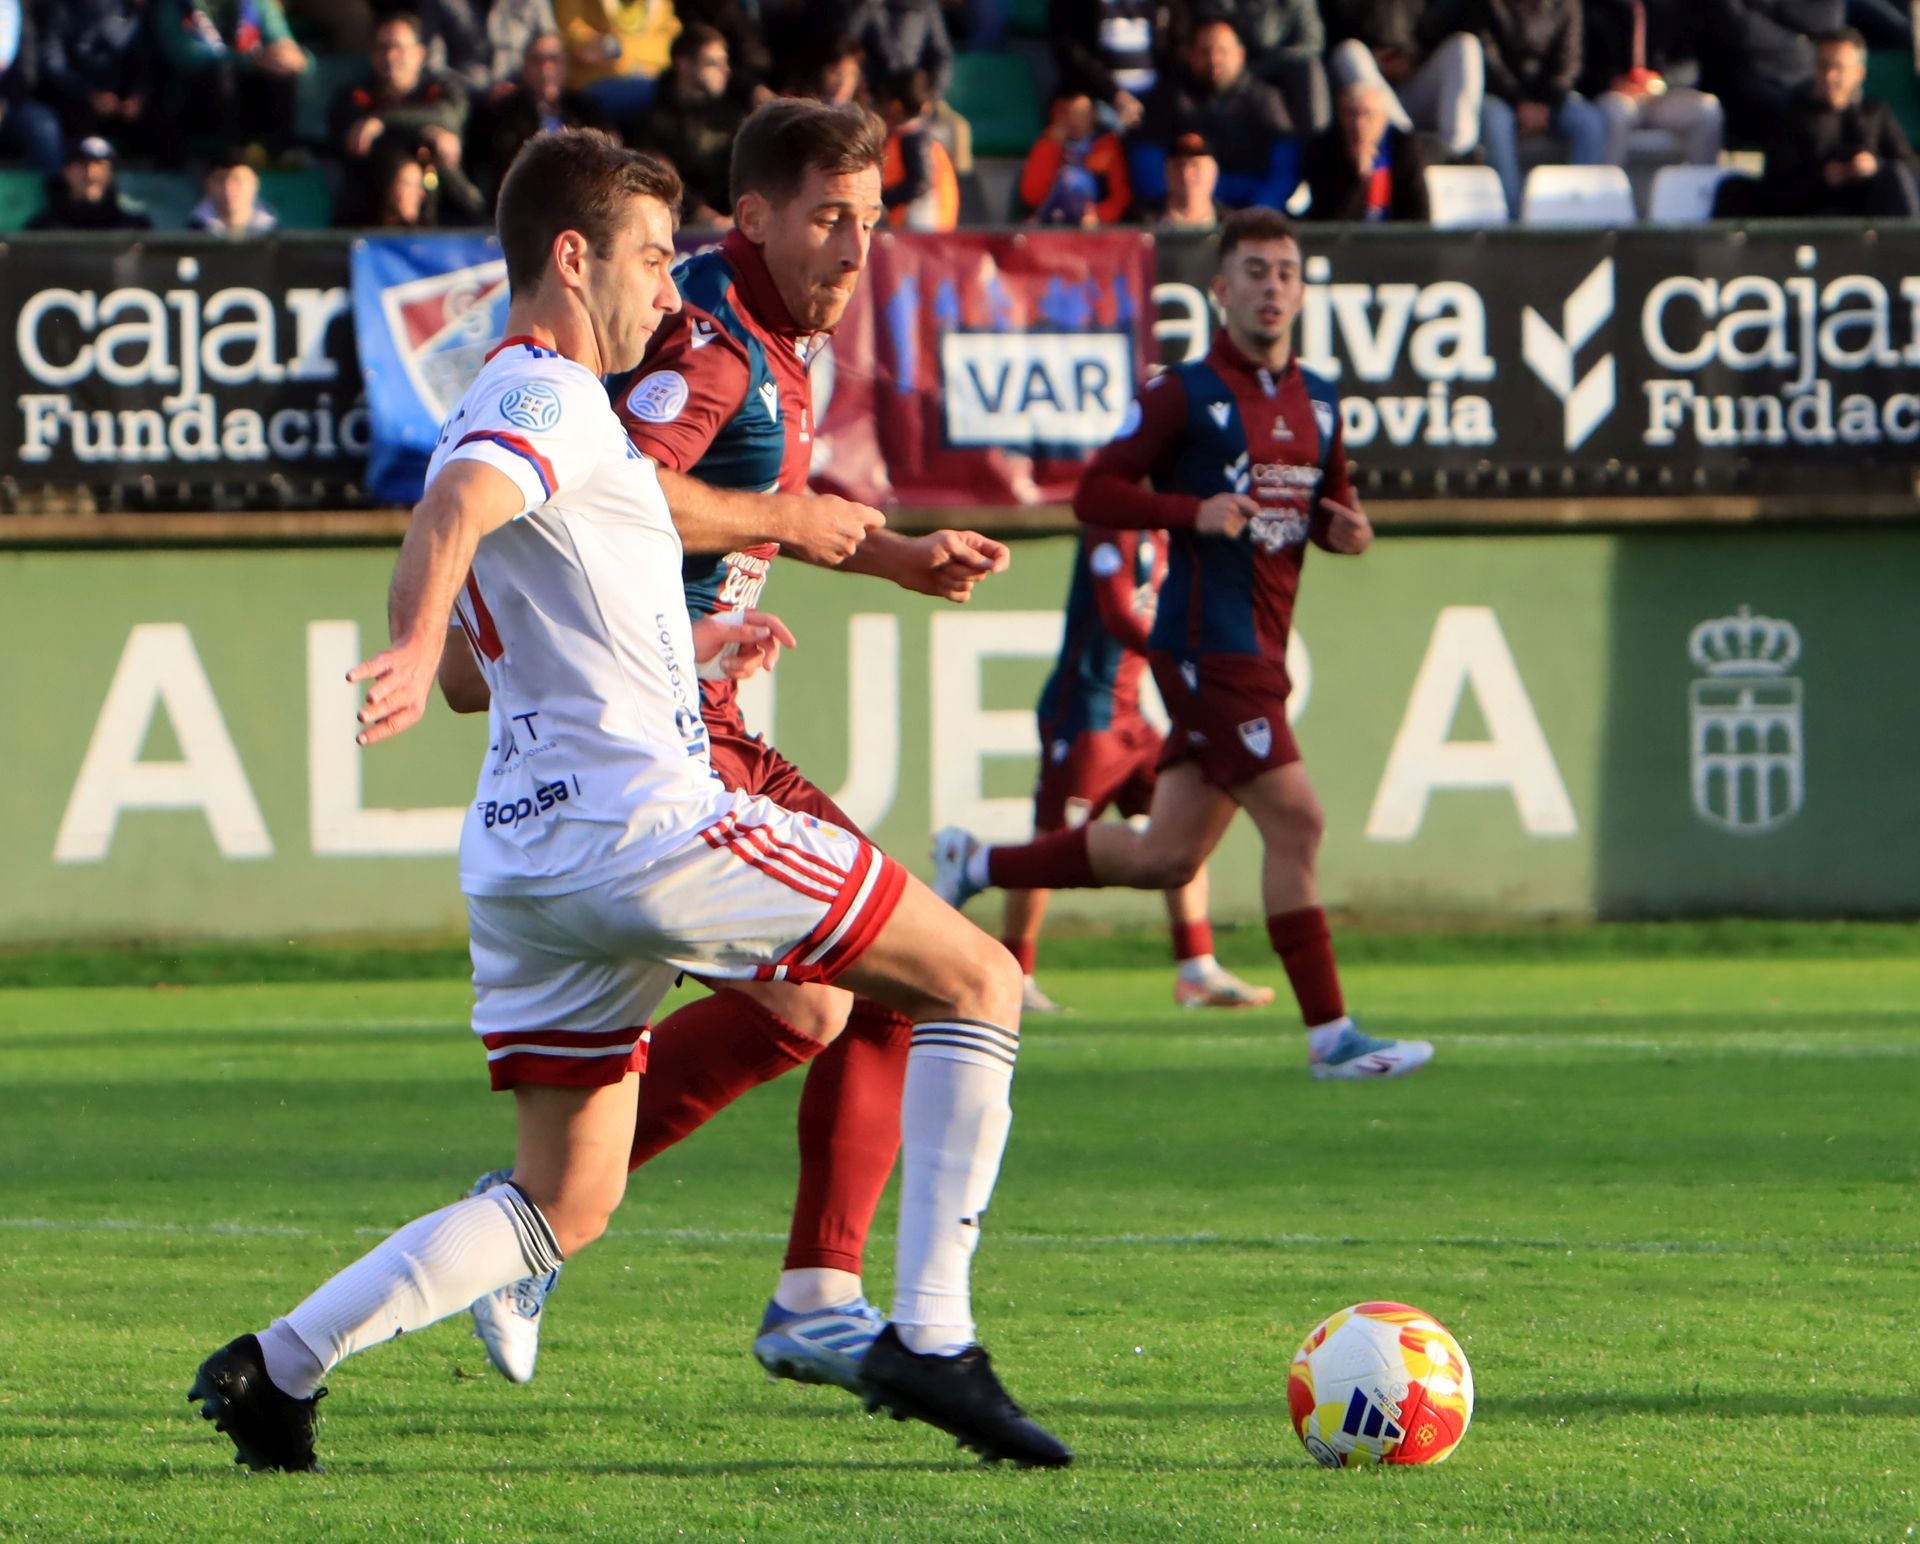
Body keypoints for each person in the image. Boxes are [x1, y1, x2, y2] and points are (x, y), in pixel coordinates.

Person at [187, 125, 1069, 1474]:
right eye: (655, 259)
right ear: (572, 257)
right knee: (977, 979)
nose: (671, 290)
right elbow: (451, 522)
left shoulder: (521, 412)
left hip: (526, 865)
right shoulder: (545, 392)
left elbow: (488, 671)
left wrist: (688, 643)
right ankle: (930, 1335)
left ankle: (279, 1366)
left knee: (563, 1199)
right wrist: (411, 641)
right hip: (645, 828)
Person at [459, 100, 1042, 1429]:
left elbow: (736, 511)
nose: (856, 247)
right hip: (664, 733)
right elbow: (616, 485)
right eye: (830, 218)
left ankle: (553, 1235)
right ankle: (807, 1292)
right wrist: (770, 544)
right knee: (918, 971)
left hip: (684, 717)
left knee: (817, 1010)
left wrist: (893, 555)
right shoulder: (712, 348)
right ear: (758, 217)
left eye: (871, 220)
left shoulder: (771, 336)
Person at [931, 209, 1435, 1085]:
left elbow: (1329, 507)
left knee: (1166, 856)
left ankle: (975, 861)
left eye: (1285, 272)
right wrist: (1188, 512)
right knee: (1299, 820)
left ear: (1302, 290)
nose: (1271, 287)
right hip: (1206, 646)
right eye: (1254, 272)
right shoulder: (1185, 394)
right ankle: (1331, 1037)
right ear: (1219, 290)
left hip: (1262, 647)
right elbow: (1096, 492)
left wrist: (1345, 531)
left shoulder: (1320, 399)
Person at [1003, 523, 1278, 1015]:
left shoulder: (1168, 533)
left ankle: (1196, 969)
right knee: (1049, 845)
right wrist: (1184, 653)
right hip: (1085, 714)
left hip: (1132, 716)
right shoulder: (1113, 526)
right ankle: (1012, 977)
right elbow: (1118, 615)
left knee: (1181, 830)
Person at [331, 11, 484, 224]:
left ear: (420, 54)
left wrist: (382, 122)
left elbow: (448, 117)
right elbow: (352, 137)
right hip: (370, 209)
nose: (390, 56)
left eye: (399, 48)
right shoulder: (356, 97)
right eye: (382, 47)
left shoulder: (442, 91)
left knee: (443, 145)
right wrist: (422, 132)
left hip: (445, 205)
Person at [1137, 18, 1299, 214]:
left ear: (1240, 54)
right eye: (1205, 51)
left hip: (1251, 216)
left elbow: (1283, 173)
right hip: (1183, 218)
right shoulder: (1168, 100)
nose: (1214, 59)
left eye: (1223, 51)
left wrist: (1257, 214)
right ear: (1191, 56)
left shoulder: (1267, 100)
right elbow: (1149, 168)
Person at [1759, 26, 1919, 215]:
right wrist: (1824, 178)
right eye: (1823, 65)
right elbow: (1775, 188)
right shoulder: (1793, 117)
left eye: (1839, 67)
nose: (1830, 76)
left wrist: (1875, 167)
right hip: (1816, 213)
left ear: (1858, 73)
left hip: (1873, 210)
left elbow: (1909, 166)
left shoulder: (1874, 113)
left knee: (1895, 176)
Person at [1471, 0, 1606, 214]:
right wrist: (1519, 102)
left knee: (1589, 122)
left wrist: (1547, 106)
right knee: (1496, 121)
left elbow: (1569, 64)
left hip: (1549, 100)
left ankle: (1581, 212)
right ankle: (1511, 216)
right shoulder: (1489, 5)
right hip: (1502, 97)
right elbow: (1490, 62)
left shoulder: (1567, 5)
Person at [151, 0, 309, 162]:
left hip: (249, 93)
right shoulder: (174, 4)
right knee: (222, 71)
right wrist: (251, 60)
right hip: (197, 97)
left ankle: (281, 150)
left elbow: (281, 39)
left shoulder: (257, 3)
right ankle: (233, 152)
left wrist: (288, 54)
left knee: (283, 68)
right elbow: (185, 55)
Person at [467, 31, 609, 210]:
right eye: (537, 60)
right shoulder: (504, 114)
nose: (546, 69)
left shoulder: (586, 111)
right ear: (525, 67)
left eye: (554, 60)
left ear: (565, 65)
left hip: (579, 204)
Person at [1326, 0, 1484, 159]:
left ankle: (1455, 152)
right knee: (1348, 52)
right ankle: (1406, 146)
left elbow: (1457, 25)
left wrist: (1415, 57)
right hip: (1373, 92)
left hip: (1420, 84)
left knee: (1465, 44)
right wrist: (1379, 60)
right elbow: (1330, 33)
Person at [1580, 0, 1724, 171]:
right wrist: (1611, 82)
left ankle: (1700, 186)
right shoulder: (1591, 7)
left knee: (1707, 110)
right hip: (1613, 96)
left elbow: (1689, 65)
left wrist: (1659, 82)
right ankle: (1609, 186)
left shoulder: (1671, 8)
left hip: (1658, 97)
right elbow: (1577, 63)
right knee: (1617, 112)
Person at [633, 22, 744, 225]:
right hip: (680, 225)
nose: (725, 70)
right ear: (684, 64)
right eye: (712, 63)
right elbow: (658, 173)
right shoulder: (654, 120)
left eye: (725, 62)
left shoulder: (732, 115)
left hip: (731, 220)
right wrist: (700, 213)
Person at [1696, 0, 1843, 145]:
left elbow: (1828, 20)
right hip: (1745, 81)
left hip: (1805, 78)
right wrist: (1796, 39)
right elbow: (1743, 30)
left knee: (1837, 106)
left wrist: (1772, 5)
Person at [1194, 0, 1334, 135]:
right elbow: (1216, 31)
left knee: (1311, 69)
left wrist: (1267, 65)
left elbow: (1311, 43)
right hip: (1236, 72)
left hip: (1281, 75)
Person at [1302, 78, 1431, 218]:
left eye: (1368, 114)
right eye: (1350, 113)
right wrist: (1357, 176)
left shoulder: (1403, 148)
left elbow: (1419, 213)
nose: (1359, 124)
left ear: (1383, 119)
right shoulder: (1324, 149)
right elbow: (1327, 217)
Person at [34, 0, 155, 148]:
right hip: (73, 104)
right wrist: (90, 94)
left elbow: (144, 61)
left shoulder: (131, 10)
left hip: (124, 108)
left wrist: (137, 96)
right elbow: (52, 61)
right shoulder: (62, 9)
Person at [1048, 0, 1180, 131]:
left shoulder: (1165, 5)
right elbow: (1071, 51)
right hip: (1096, 100)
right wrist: (1114, 94)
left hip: (1156, 103)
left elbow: (1174, 48)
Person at [554, 0, 681, 125]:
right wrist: (644, 50)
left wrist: (620, 47)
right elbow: (578, 43)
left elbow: (671, 44)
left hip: (652, 82)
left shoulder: (661, 5)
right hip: (592, 90)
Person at [1018, 86, 1132, 224]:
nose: (1073, 120)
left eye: (1080, 114)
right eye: (1067, 113)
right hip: (1049, 222)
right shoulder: (1046, 145)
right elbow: (1032, 196)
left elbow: (1121, 197)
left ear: (1093, 115)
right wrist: (1051, 146)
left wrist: (1099, 215)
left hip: (1092, 224)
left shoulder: (1108, 146)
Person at [879, 67, 959, 229]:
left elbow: (919, 183)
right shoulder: (917, 135)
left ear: (896, 106)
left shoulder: (914, 139)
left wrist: (881, 199)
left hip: (921, 225)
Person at [25, 135, 151, 230]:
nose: (90, 173)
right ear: (66, 171)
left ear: (111, 173)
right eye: (82, 164)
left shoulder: (134, 228)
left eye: (99, 165)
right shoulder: (44, 229)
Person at [0, 0, 64, 174]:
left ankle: (53, 187)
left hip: (11, 103)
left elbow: (28, 71)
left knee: (44, 129)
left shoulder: (18, 7)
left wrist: (5, 101)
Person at [187, 149, 279, 233]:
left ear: (254, 183)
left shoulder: (277, 236)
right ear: (208, 184)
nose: (228, 189)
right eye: (220, 180)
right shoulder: (190, 235)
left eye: (237, 180)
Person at [1158, 129, 1223, 227]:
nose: (1186, 174)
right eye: (1178, 166)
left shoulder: (1232, 225)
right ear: (1166, 171)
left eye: (1196, 166)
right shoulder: (1140, 220)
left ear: (1213, 170)